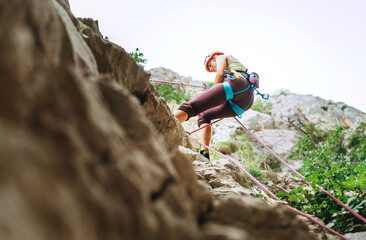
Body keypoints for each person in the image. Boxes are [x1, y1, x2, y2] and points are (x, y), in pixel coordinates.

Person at [174, 52, 255, 160]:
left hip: (235, 84)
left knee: (192, 107)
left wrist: (213, 91)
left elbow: (220, 73)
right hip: (244, 103)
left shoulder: (222, 57)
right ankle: (204, 153)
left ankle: (162, 127)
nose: (211, 69)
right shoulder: (237, 66)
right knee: (204, 116)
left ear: (214, 57)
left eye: (210, 65)